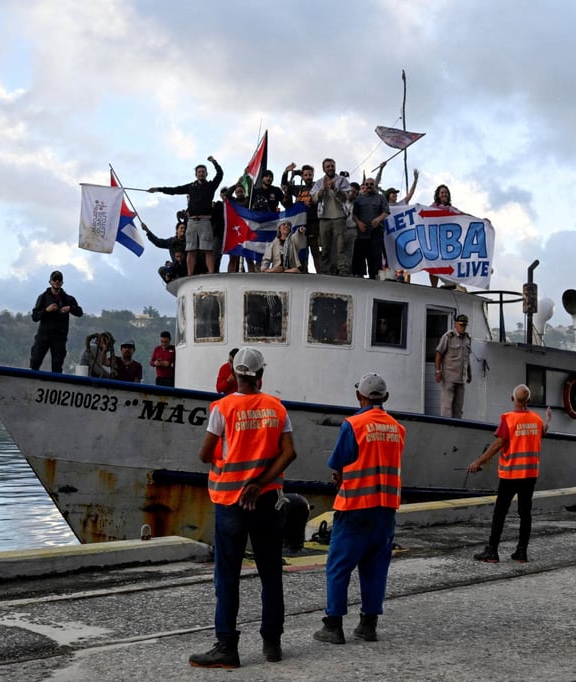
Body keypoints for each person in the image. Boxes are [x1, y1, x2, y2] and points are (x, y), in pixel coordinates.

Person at [189, 347, 297, 669]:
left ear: (235, 374)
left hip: (231, 502)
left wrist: (237, 471)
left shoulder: (222, 408)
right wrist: (260, 482)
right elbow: (289, 453)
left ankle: (226, 647)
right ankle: (272, 644)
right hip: (267, 502)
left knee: (227, 576)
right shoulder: (277, 409)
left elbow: (205, 454)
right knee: (270, 574)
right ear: (261, 375)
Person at [313, 373, 405, 646]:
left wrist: (341, 478)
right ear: (385, 398)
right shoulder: (398, 429)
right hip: (386, 508)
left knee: (339, 567)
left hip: (354, 507)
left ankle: (334, 625)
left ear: (359, 396)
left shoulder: (353, 425)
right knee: (376, 568)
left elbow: (338, 463)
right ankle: (368, 625)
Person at [468, 384, 550, 564]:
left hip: (511, 474)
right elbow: (542, 433)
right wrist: (548, 421)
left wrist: (478, 462)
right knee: (525, 513)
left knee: (500, 512)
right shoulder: (536, 420)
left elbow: (498, 444)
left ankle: (492, 551)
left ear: (512, 399)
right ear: (529, 401)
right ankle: (521, 552)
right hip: (530, 474)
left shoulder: (509, 419)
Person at [149, 156, 224, 276]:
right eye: (199, 172)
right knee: (191, 249)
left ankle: (211, 273)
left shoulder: (210, 186)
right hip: (192, 222)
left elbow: (220, 175)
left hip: (205, 221)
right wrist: (158, 189)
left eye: (203, 172)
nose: (201, 173)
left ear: (206, 174)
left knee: (208, 249)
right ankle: (190, 274)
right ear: (196, 174)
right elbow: (175, 190)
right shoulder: (191, 187)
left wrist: (214, 162)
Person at [29, 270, 82, 373]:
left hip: (59, 337)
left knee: (57, 366)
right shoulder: (43, 297)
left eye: (59, 280)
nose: (57, 281)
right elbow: (35, 317)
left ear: (62, 283)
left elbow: (80, 312)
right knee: (35, 361)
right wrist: (46, 310)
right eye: (55, 279)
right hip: (43, 335)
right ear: (50, 282)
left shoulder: (68, 299)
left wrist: (70, 308)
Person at [311, 158, 351, 275]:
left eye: (332, 166)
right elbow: (313, 197)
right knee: (325, 247)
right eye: (328, 166)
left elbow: (346, 197)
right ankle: (325, 272)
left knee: (341, 246)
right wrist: (323, 189)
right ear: (324, 169)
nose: (330, 168)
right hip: (324, 218)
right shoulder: (319, 182)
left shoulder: (342, 180)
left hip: (339, 217)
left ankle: (343, 270)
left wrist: (335, 188)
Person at [282, 163, 319, 273]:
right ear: (302, 177)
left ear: (313, 175)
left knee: (315, 250)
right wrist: (286, 172)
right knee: (301, 251)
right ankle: (303, 273)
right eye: (305, 175)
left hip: (313, 222)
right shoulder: (298, 189)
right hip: (300, 224)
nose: (308, 177)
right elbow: (285, 185)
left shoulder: (317, 186)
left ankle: (320, 273)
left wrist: (312, 202)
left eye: (310, 174)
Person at [434, 314, 472, 418]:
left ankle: (457, 428)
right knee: (447, 406)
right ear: (455, 324)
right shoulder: (448, 336)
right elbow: (439, 353)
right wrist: (438, 371)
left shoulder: (468, 338)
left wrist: (469, 373)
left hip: (461, 378)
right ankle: (446, 428)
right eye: (460, 325)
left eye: (464, 325)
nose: (462, 327)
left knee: (458, 408)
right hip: (449, 377)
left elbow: (467, 358)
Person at [351, 177, 390, 279]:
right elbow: (354, 214)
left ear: (375, 186)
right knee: (360, 256)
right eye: (367, 184)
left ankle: (374, 276)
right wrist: (359, 223)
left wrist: (378, 219)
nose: (369, 186)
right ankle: (359, 276)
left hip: (376, 232)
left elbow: (386, 211)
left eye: (371, 184)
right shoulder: (359, 198)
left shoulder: (381, 198)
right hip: (362, 232)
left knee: (376, 256)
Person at [428, 184, 461, 287]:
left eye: (446, 192)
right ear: (438, 195)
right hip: (435, 241)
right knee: (433, 264)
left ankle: (451, 283)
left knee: (450, 263)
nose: (444, 194)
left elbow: (464, 216)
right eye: (442, 192)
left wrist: (480, 220)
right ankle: (434, 287)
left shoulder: (451, 209)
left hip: (448, 242)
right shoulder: (432, 207)